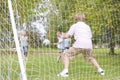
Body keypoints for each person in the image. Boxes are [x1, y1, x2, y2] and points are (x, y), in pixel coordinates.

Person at [57, 13, 105, 77]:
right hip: (88, 45)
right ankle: (101, 70)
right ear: (84, 19)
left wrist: (61, 36)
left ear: (76, 18)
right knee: (90, 57)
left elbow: (67, 36)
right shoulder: (87, 26)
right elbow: (89, 36)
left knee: (66, 55)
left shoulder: (75, 25)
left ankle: (65, 72)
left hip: (79, 44)